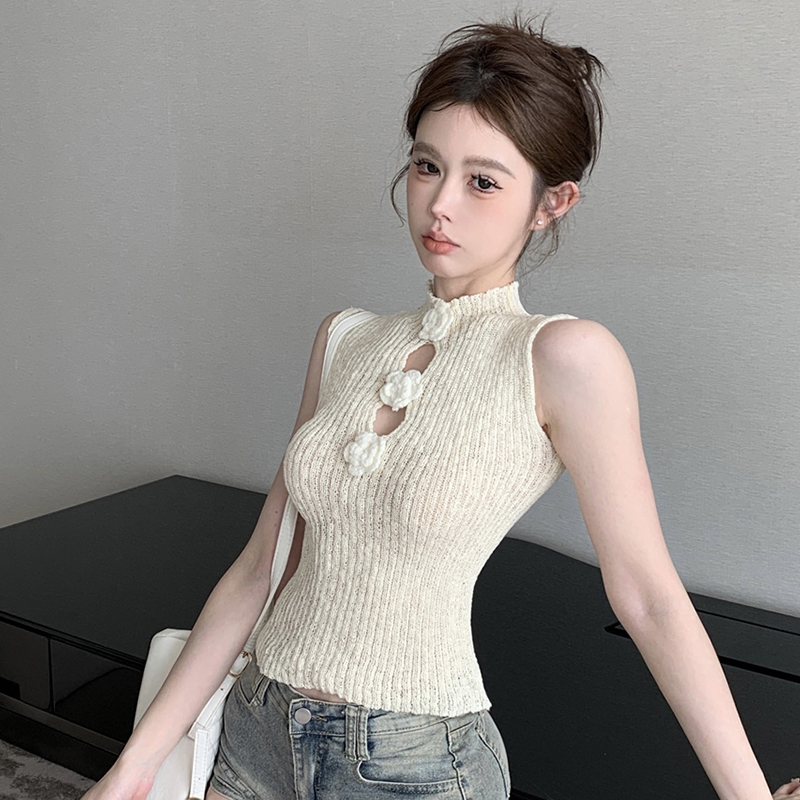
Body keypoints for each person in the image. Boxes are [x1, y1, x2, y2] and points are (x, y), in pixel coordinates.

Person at [81, 11, 799, 800]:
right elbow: (259, 570)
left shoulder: (565, 358)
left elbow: (650, 600)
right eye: (427, 166)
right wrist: (137, 762)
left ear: (551, 202)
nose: (440, 204)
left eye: (483, 181)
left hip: (410, 762)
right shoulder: (345, 338)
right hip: (256, 732)